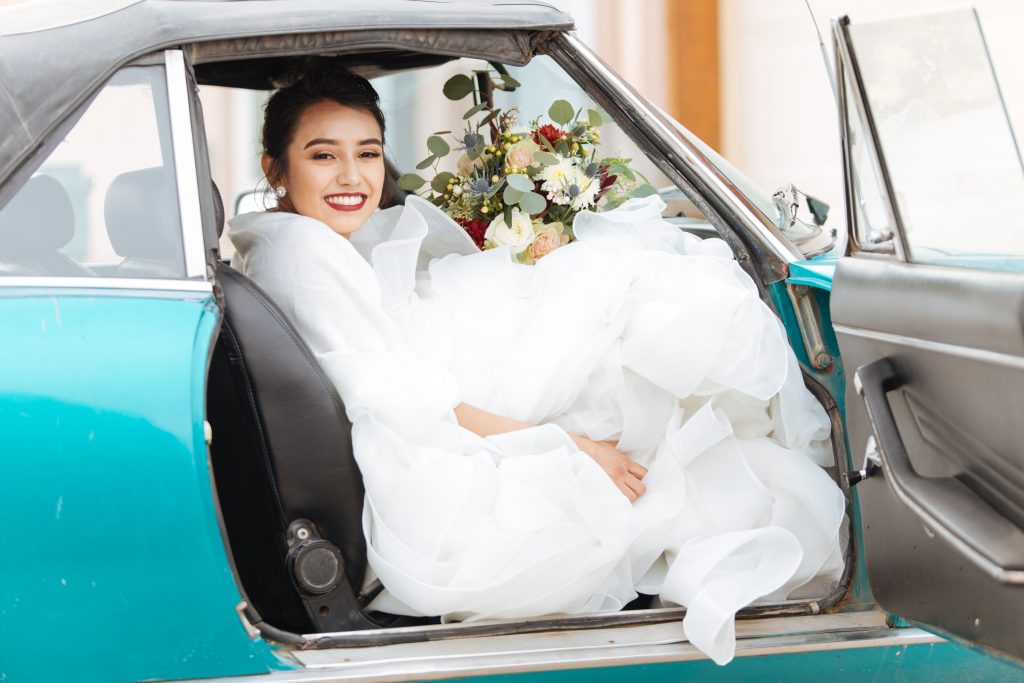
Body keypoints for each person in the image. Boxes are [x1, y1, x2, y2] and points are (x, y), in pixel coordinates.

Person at [227, 66, 846, 665]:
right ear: (275, 169)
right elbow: (408, 403)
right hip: (428, 456)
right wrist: (565, 445)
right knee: (643, 314)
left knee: (624, 313)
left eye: (367, 153)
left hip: (437, 385)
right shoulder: (304, 257)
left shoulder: (288, 241)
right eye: (323, 155)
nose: (352, 175)